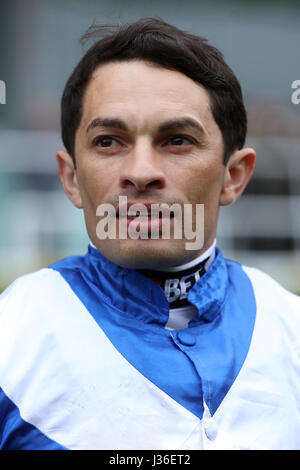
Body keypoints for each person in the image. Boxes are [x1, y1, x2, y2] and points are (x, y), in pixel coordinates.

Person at [0, 17, 299, 451]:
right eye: (108, 141)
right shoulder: (11, 339)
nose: (140, 173)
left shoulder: (290, 329)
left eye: (177, 140)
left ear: (234, 176)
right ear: (70, 177)